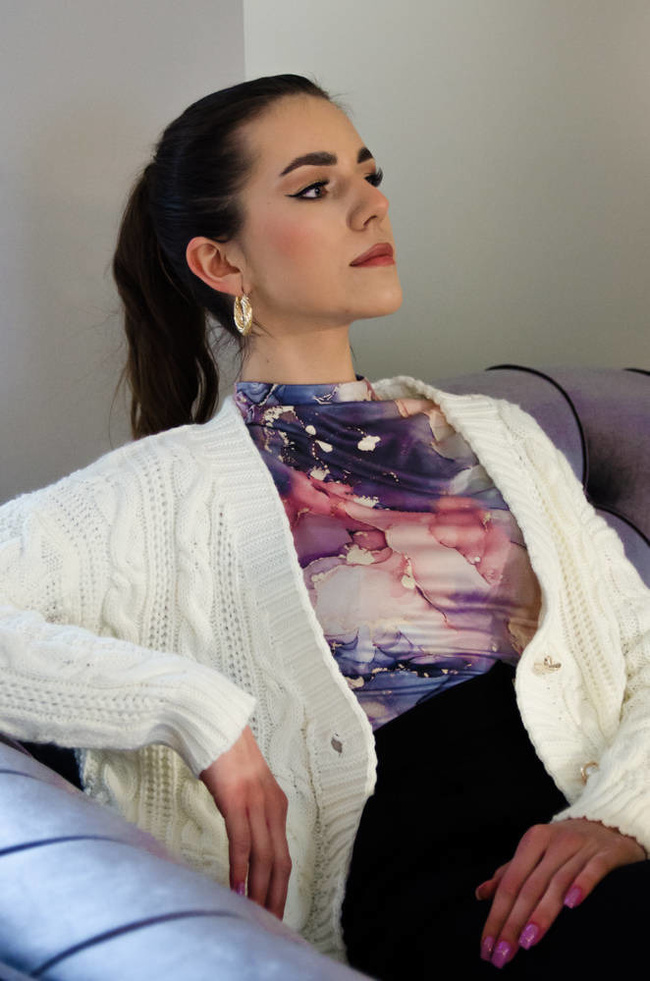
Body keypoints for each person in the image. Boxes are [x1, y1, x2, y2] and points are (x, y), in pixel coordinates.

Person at [0, 74, 649, 978]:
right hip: (441, 891)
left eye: (368, 174)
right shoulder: (155, 492)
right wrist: (197, 714)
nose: (370, 203)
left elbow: (639, 646)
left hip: (590, 846)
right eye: (315, 187)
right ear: (222, 264)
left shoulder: (500, 434)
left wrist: (620, 811)